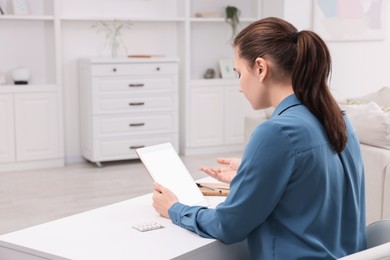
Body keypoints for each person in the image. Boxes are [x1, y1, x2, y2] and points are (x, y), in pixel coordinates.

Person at [152, 17, 367, 259]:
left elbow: (228, 226)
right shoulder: (338, 118)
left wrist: (174, 209)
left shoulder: (277, 132)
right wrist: (250, 171)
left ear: (260, 68)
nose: (240, 87)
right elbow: (311, 188)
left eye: (238, 73)